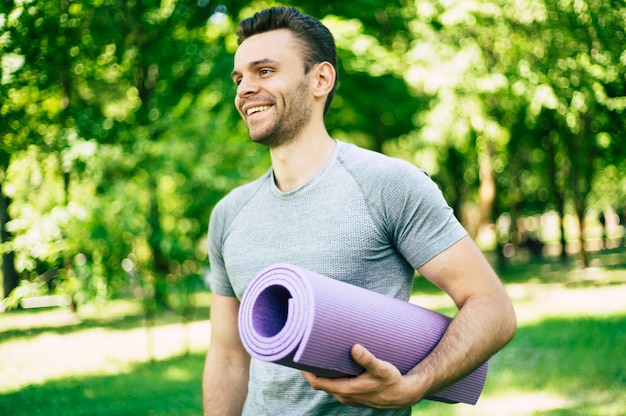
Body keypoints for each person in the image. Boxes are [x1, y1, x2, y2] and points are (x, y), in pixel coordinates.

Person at [202, 6, 516, 416]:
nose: (244, 89)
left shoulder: (388, 185)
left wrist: (414, 386)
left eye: (264, 72)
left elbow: (492, 308)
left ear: (321, 79)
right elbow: (228, 355)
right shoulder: (229, 215)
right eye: (239, 78)